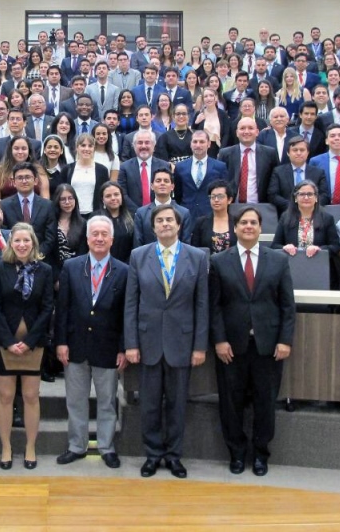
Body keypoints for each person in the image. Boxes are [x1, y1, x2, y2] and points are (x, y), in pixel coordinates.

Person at [210, 206, 296, 477]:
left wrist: (285, 340)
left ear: (260, 228)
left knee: (265, 403)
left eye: (253, 223)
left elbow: (287, 306)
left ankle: (260, 454)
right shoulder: (219, 261)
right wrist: (219, 340)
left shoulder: (278, 260)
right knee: (230, 403)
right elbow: (214, 307)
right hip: (231, 348)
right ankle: (236, 454)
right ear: (235, 228)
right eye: (243, 223)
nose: (248, 226)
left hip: (268, 347)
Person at [124, 204, 209, 479]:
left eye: (169, 219)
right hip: (148, 341)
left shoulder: (197, 257)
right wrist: (131, 343)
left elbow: (202, 304)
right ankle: (152, 455)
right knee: (149, 405)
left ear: (179, 225)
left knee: (177, 404)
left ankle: (174, 456)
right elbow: (131, 303)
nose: (165, 224)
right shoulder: (139, 256)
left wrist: (199, 346)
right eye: (159, 220)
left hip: (182, 342)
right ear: (153, 227)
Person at [54, 216, 129, 469]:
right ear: (87, 239)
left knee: (107, 402)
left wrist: (122, 347)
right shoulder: (72, 267)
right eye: (94, 234)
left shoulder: (124, 271)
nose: (99, 238)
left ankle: (107, 447)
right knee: (76, 401)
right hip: (75, 345)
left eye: (104, 234)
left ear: (112, 239)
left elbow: (126, 314)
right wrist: (61, 342)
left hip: (108, 348)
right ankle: (77, 446)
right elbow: (62, 308)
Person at [0, 222, 54, 470]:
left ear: (33, 243)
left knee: (30, 396)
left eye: (26, 240)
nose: (22, 244)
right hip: (4, 343)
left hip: (33, 345)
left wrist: (28, 342)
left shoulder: (45, 270)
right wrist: (8, 341)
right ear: (10, 243)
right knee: (5, 396)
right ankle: (6, 447)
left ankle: (30, 447)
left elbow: (47, 307)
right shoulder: (0, 268)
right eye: (17, 240)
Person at [272, 179, 340, 259]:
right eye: (302, 194)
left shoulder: (327, 218)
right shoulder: (285, 217)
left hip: (318, 263)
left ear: (316, 198)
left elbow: (336, 247)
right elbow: (274, 246)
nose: (306, 197)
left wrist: (320, 249)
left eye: (310, 194)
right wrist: (284, 247)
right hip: (292, 263)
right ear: (295, 198)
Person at [190, 180, 236, 253]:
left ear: (229, 200)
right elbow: (195, 250)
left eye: (220, 196)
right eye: (213, 197)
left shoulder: (236, 222)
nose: (216, 200)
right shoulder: (201, 222)